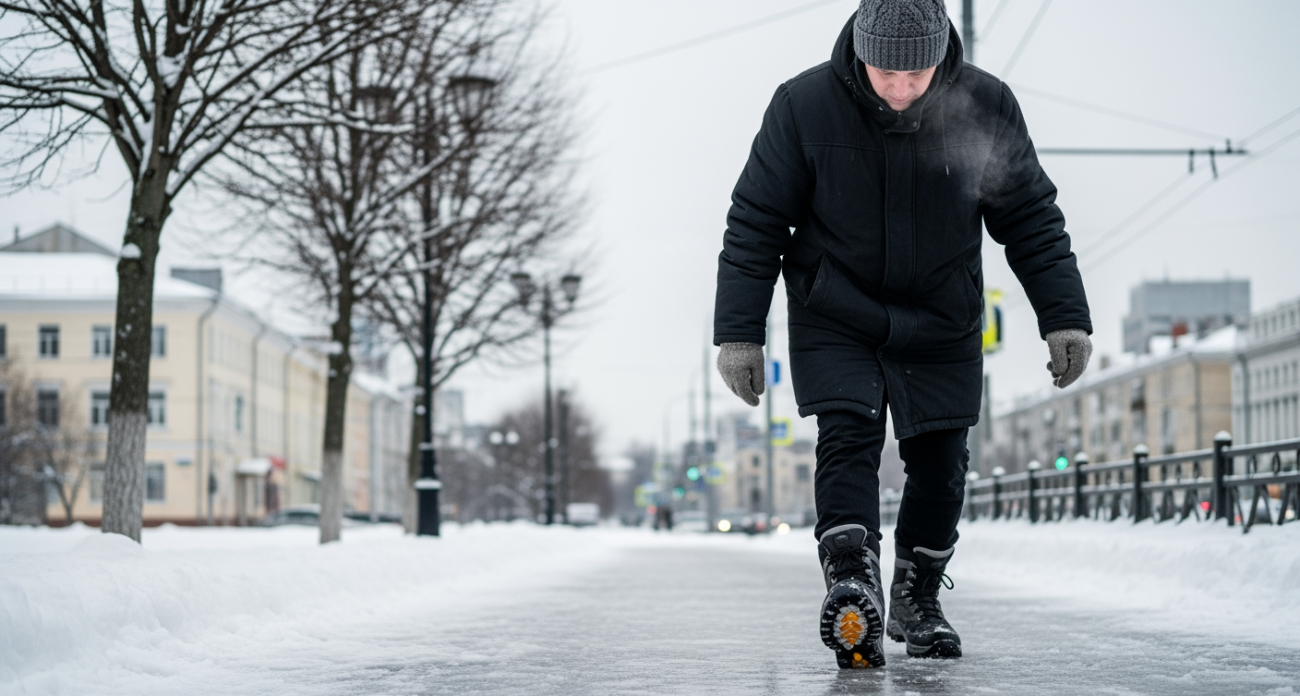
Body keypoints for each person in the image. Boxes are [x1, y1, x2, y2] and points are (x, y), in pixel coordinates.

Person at [712, 0, 1092, 669]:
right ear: (860, 48)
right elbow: (756, 222)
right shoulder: (803, 106)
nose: (899, 86)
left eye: (915, 72)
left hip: (941, 313)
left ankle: (917, 595)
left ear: (942, 52)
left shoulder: (985, 104)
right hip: (836, 308)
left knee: (943, 461)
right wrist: (739, 331)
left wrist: (1064, 314)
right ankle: (852, 579)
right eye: (885, 69)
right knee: (849, 434)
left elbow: (1030, 216)